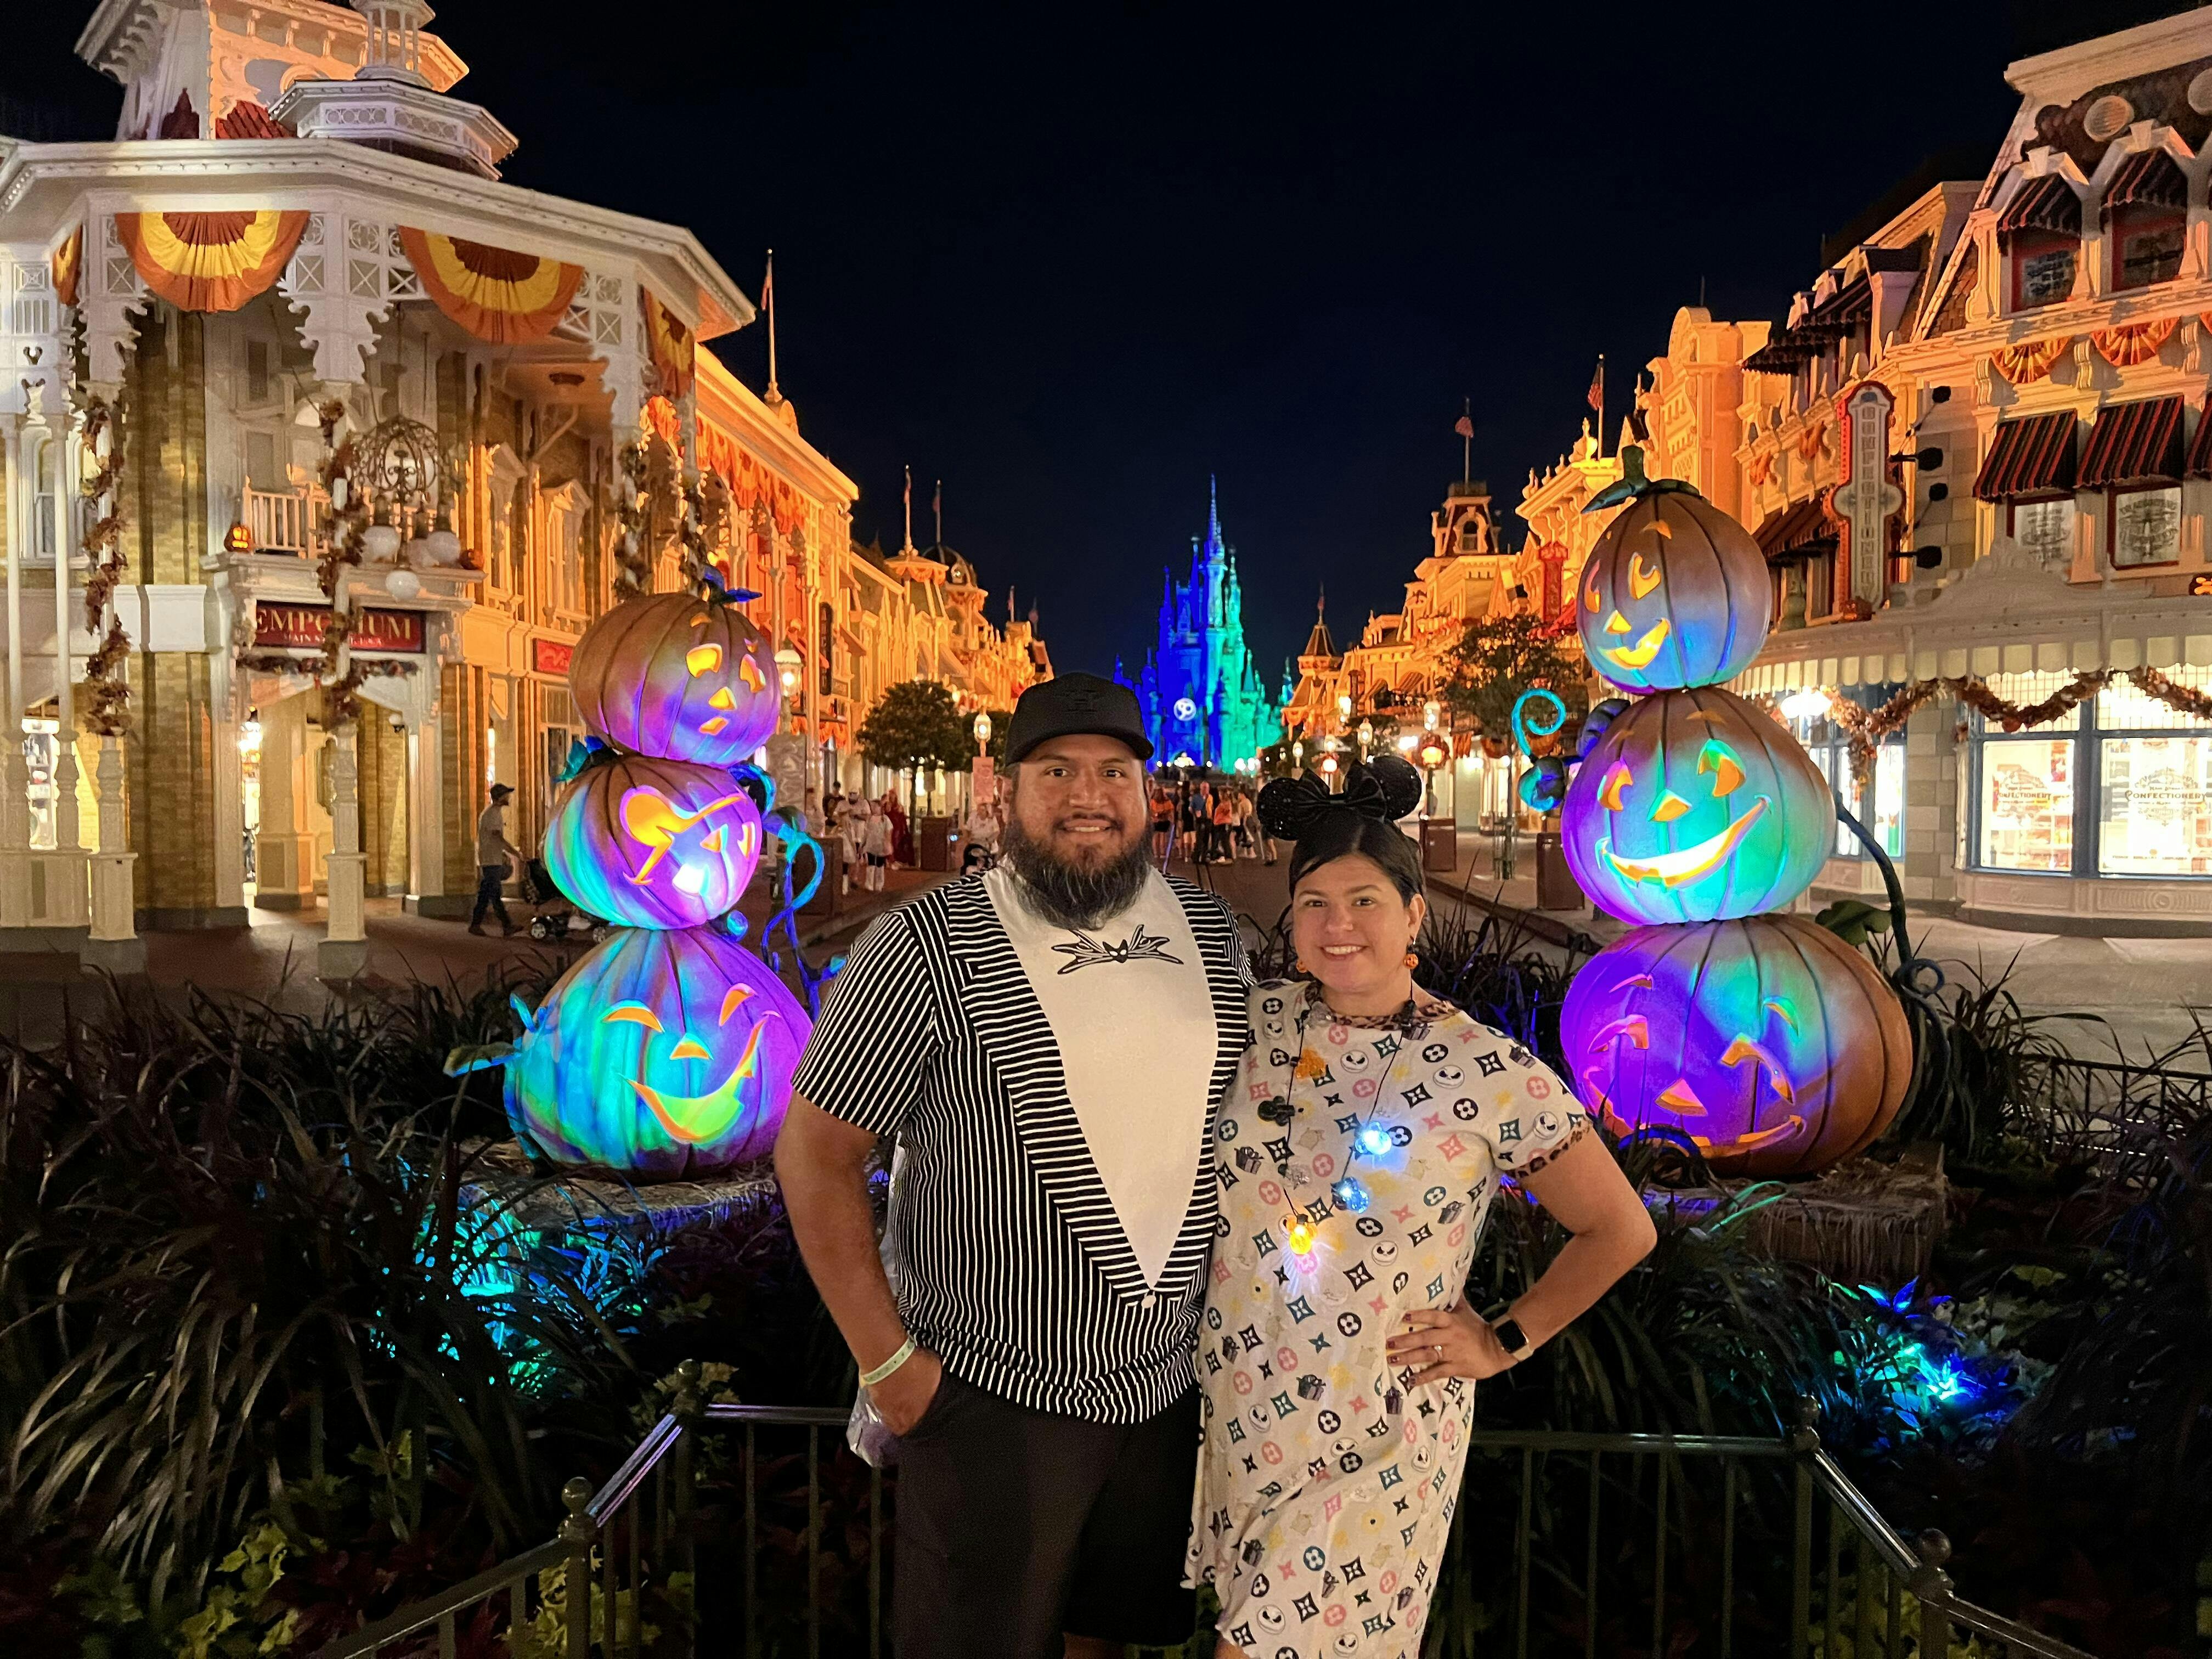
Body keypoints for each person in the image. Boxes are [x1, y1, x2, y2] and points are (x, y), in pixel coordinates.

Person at [777, 672, 1251, 1659]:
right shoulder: (927, 941)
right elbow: (819, 1153)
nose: (1089, 795)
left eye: (1113, 771)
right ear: (1006, 794)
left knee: (1105, 1637)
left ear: (1146, 791)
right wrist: (891, 1366)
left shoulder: (1206, 930)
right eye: (1057, 771)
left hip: (1164, 1384)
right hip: (991, 1387)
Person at [1186, 756, 1655, 1657]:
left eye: (1364, 900)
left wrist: (1504, 1339)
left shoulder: (1485, 1069)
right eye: (1315, 902)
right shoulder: (1254, 1023)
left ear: (1413, 913)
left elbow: (1620, 1228)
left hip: (1378, 1428)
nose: (1338, 924)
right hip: (1244, 1412)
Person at [468, 782, 522, 937]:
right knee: (492, 893)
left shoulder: (493, 813)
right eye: (506, 795)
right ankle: (505, 925)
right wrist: (515, 853)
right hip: (491, 859)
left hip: (491, 858)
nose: (509, 797)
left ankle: (480, 924)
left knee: (488, 893)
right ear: (499, 798)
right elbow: (497, 838)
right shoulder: (492, 814)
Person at [864, 798, 892, 891]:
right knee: (871, 864)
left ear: (880, 807)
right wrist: (863, 844)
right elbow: (866, 832)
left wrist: (887, 843)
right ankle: (869, 884)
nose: (874, 808)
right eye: (872, 807)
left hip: (881, 845)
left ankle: (879, 885)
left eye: (876, 807)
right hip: (871, 844)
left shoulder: (885, 819)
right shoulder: (870, 819)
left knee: (880, 865)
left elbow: (888, 832)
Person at [1209, 785, 1236, 864]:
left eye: (1220, 794)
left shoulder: (1227, 803)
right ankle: (1225, 857)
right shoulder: (1222, 803)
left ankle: (1229, 858)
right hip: (1220, 824)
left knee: (1225, 841)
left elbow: (1226, 812)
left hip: (1225, 824)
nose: (1219, 796)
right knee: (1223, 841)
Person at [1150, 783, 1175, 867]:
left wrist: (1154, 816)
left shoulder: (1153, 801)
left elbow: (1151, 811)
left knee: (1155, 837)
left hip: (1155, 821)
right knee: (1163, 837)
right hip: (1164, 821)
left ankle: (1156, 853)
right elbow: (1171, 810)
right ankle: (1162, 853)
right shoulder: (1167, 801)